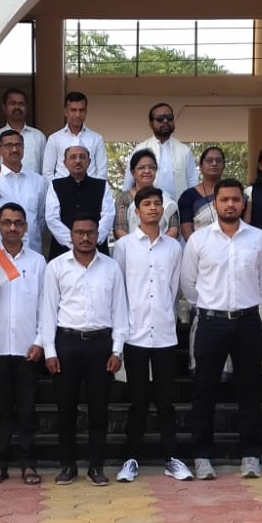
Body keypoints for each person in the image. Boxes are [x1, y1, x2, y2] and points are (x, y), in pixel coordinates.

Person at [181, 177, 262, 479]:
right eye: (224, 200)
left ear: (243, 203)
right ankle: (202, 456)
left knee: (250, 390)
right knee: (204, 391)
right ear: (215, 203)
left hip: (248, 322)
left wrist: (243, 303)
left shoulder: (258, 239)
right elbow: (189, 284)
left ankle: (250, 454)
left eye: (236, 199)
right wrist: (210, 306)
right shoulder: (199, 240)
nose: (230, 204)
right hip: (211, 323)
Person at [42, 210, 128, 486]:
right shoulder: (56, 267)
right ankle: (68, 465)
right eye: (79, 232)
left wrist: (117, 350)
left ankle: (96, 466)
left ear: (98, 234)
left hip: (101, 344)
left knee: (99, 409)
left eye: (90, 232)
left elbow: (120, 310)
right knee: (66, 408)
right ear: (71, 235)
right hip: (66, 343)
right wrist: (49, 351)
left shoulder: (111, 267)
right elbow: (47, 311)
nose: (85, 237)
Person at [113, 186, 191, 482]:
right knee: (137, 401)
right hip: (134, 333)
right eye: (147, 204)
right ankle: (131, 459)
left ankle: (172, 458)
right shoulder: (123, 247)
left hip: (164, 334)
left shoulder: (174, 248)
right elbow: (119, 290)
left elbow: (174, 287)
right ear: (137, 211)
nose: (153, 208)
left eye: (158, 203)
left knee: (166, 401)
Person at [0, 202, 47, 485]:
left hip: (29, 349)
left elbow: (45, 306)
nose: (13, 227)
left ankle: (29, 464)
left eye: (18, 222)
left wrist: (40, 341)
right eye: (7, 222)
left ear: (25, 227)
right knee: (1, 411)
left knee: (27, 411)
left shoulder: (37, 262)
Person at [44, 143, 115, 250]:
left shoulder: (101, 185)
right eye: (73, 157)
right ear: (65, 163)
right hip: (63, 248)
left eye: (82, 157)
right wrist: (73, 242)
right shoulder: (55, 185)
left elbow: (108, 215)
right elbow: (52, 218)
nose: (78, 161)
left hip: (96, 247)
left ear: (89, 162)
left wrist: (92, 240)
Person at [122, 102, 198, 199]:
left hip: (178, 206)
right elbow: (128, 183)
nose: (165, 121)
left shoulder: (184, 151)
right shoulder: (140, 149)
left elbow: (193, 183)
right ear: (151, 124)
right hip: (147, 206)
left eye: (169, 117)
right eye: (160, 118)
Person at [0, 128, 49, 254]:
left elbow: (41, 218)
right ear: (0, 150)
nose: (14, 149)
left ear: (23, 148)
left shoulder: (38, 181)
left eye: (18, 145)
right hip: (0, 254)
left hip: (32, 251)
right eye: (9, 145)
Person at [113, 148, 179, 238]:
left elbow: (174, 229)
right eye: (142, 168)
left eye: (151, 167)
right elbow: (120, 229)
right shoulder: (124, 198)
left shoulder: (166, 198)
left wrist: (158, 244)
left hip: (163, 245)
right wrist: (137, 245)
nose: (147, 171)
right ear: (133, 172)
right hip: (131, 246)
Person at [41, 90, 107, 179]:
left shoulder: (96, 139)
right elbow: (47, 172)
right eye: (73, 110)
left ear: (86, 111)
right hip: (61, 187)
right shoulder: (54, 139)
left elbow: (102, 172)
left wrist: (94, 187)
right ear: (65, 112)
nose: (77, 114)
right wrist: (57, 187)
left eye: (81, 110)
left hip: (89, 187)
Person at [0, 86, 45, 173]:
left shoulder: (38, 136)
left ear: (26, 107)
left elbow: (44, 169)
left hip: (33, 182)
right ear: (4, 107)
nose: (17, 107)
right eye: (12, 103)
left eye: (21, 104)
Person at [178, 146, 227, 239]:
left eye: (218, 160)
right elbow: (186, 231)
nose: (214, 164)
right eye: (209, 160)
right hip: (199, 245)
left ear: (224, 166)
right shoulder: (188, 196)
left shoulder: (233, 193)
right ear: (201, 166)